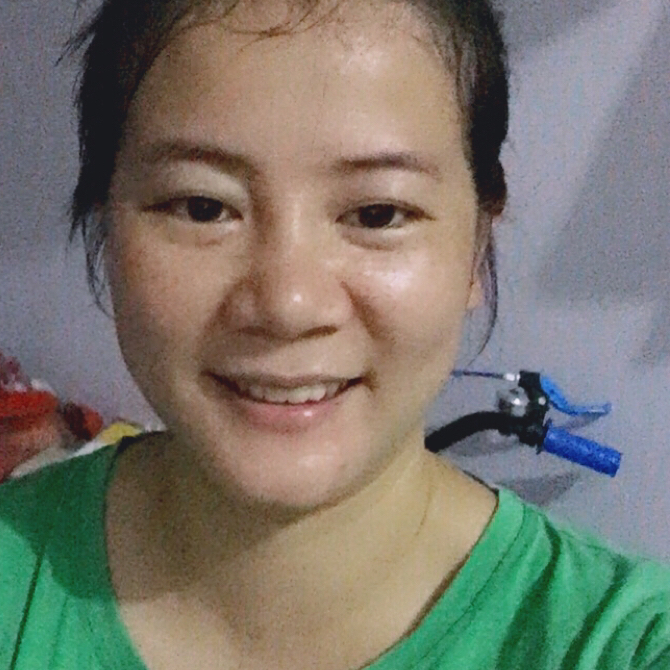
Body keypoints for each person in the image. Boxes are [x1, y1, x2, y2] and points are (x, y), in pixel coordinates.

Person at [1, 0, 669, 667]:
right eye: (204, 207)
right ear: (107, 226)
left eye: (378, 214)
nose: (288, 305)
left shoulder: (621, 644)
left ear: (477, 245)